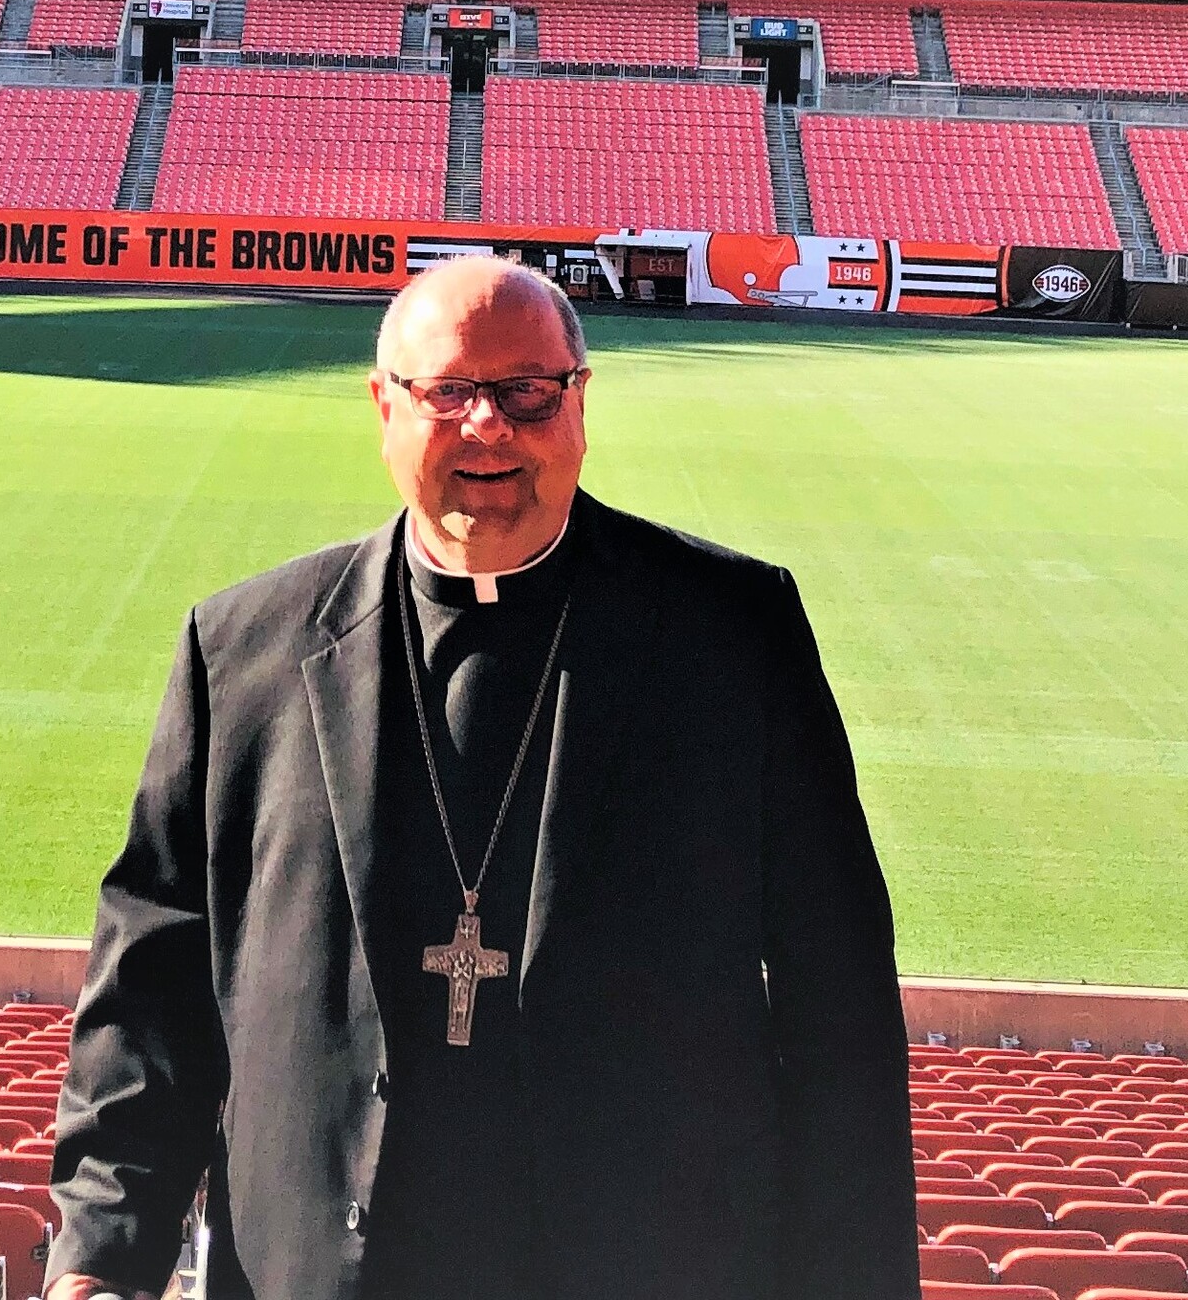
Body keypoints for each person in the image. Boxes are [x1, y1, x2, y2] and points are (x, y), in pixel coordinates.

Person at [47, 257, 916, 1300]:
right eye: (449, 391)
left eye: (527, 391)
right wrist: (101, 1253)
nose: (489, 425)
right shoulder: (243, 651)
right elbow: (152, 982)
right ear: (385, 407)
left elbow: (838, 1002)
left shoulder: (733, 636)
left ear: (579, 403)